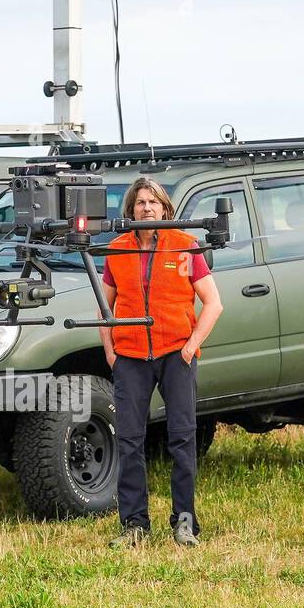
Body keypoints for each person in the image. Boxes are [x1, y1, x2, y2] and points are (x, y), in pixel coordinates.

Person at [100, 177, 223, 548]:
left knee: (182, 438)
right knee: (129, 441)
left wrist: (190, 348)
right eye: (140, 203)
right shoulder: (117, 249)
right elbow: (105, 306)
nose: (147, 209)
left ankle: (184, 521)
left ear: (165, 208)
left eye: (153, 202)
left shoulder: (186, 244)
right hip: (131, 358)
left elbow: (214, 303)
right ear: (131, 210)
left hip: (175, 355)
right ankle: (134, 525)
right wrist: (111, 352)